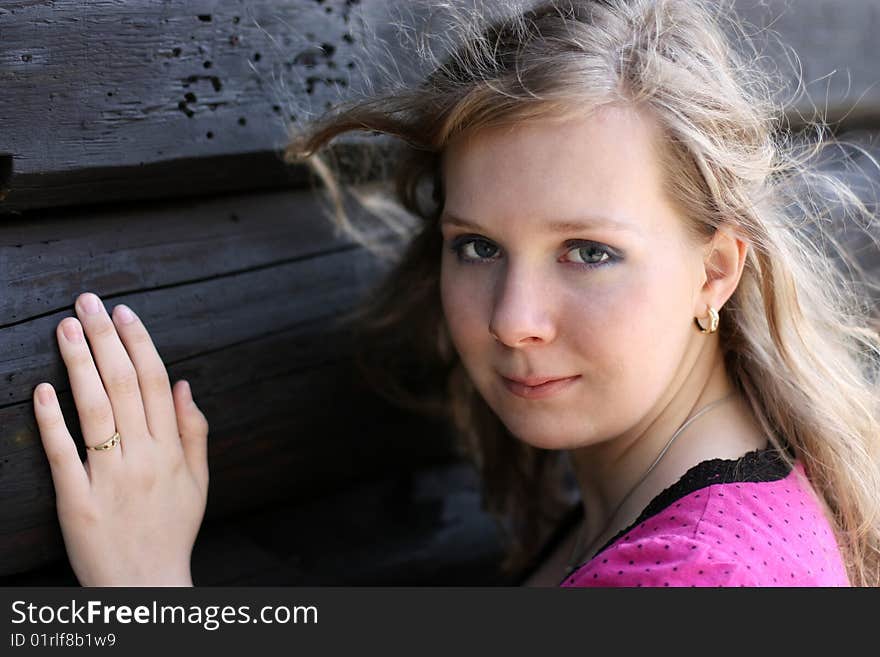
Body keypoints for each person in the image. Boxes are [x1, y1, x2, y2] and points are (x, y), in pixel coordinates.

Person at [33, 0, 879, 587]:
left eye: (588, 251)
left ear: (715, 271)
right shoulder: (643, 493)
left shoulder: (706, 577)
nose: (512, 320)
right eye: (476, 246)